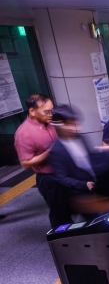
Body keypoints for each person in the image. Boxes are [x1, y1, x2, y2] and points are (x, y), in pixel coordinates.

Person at [14, 94, 61, 228]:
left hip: (63, 172)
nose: (50, 114)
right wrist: (49, 152)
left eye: (52, 110)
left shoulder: (48, 121)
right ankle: (61, 241)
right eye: (46, 111)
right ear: (32, 111)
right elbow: (25, 163)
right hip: (49, 179)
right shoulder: (24, 133)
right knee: (59, 214)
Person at [49, 105, 97, 222]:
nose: (75, 128)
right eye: (70, 124)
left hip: (90, 188)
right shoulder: (57, 149)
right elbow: (61, 178)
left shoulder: (82, 138)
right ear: (61, 124)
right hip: (76, 193)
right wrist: (84, 184)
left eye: (76, 123)